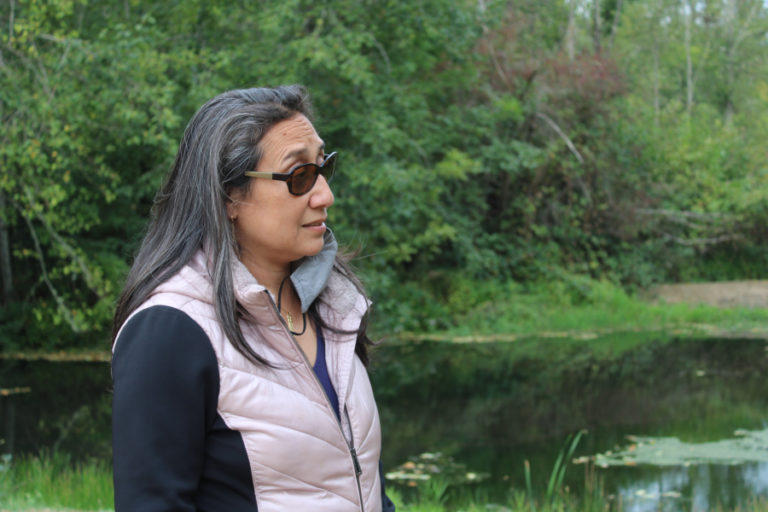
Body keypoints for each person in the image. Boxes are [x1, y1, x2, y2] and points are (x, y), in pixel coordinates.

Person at [111, 85, 395, 512]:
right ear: (229, 197)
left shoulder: (336, 305)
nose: (325, 196)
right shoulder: (171, 331)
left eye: (323, 168)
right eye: (299, 177)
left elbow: (365, 483)